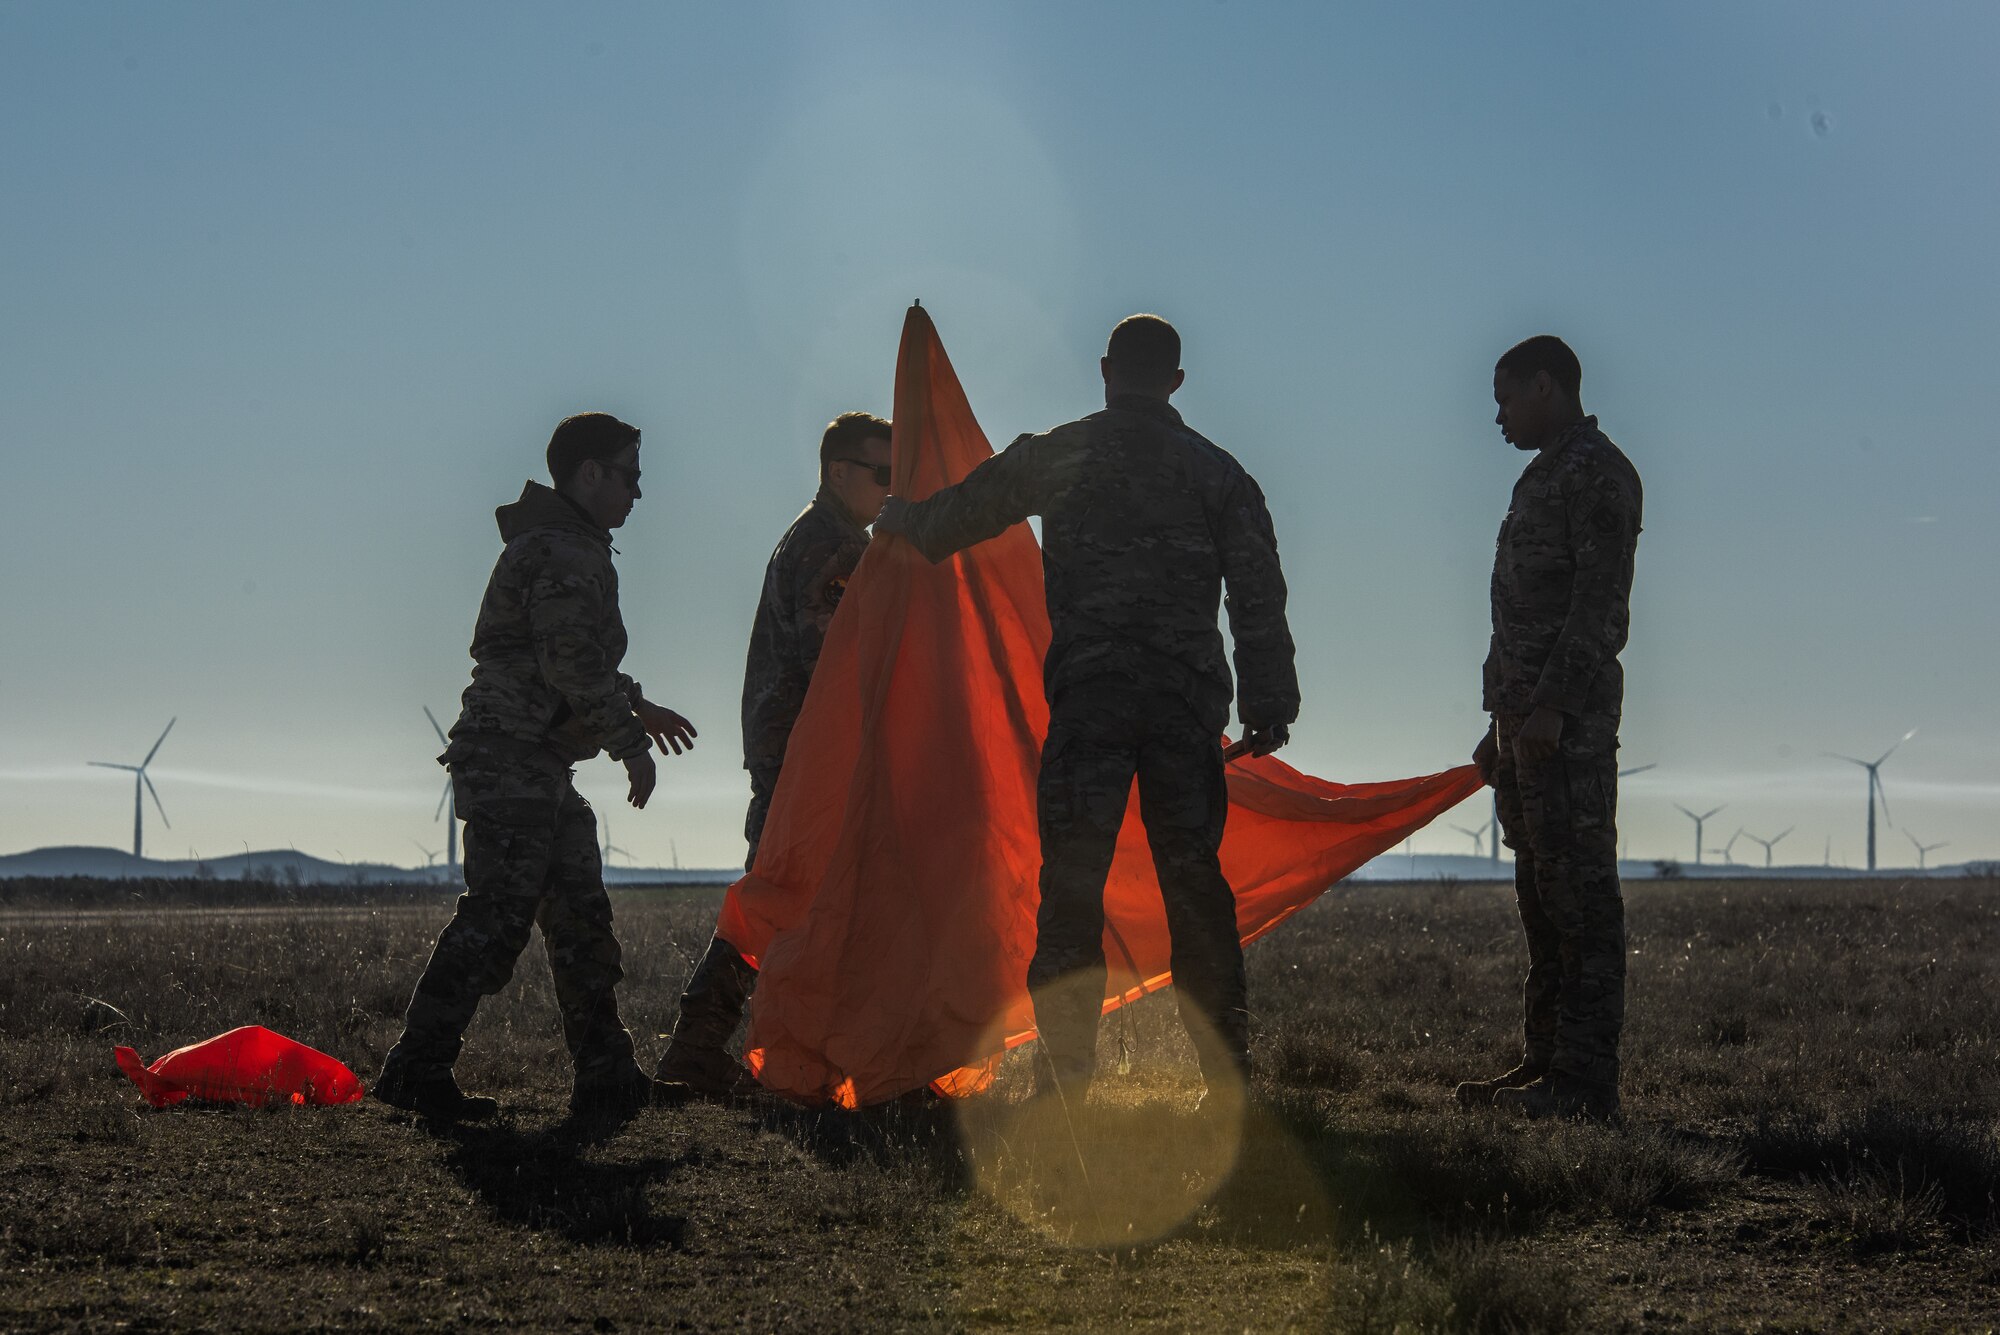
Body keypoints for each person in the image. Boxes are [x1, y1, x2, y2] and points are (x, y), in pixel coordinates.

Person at [874, 315, 1298, 1104]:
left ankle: (1064, 1074)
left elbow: (956, 518)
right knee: (1193, 885)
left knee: (1072, 882)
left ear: (1106, 370)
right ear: (1175, 381)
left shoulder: (1062, 451)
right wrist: (1271, 700)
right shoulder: (1219, 473)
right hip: (1182, 703)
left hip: (1091, 698)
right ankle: (1227, 1077)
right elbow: (1258, 594)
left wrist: (902, 519)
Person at [375, 412, 698, 1121]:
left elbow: (564, 650)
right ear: (590, 474)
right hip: (513, 757)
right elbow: (568, 660)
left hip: (537, 758)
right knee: (496, 916)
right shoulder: (564, 551)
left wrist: (636, 706)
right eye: (629, 476)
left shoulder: (564, 546)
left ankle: (607, 1074)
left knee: (581, 914)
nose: (637, 493)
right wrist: (630, 741)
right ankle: (414, 1069)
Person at [654, 411, 893, 1099]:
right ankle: (698, 1048)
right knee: (778, 898)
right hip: (811, 762)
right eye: (883, 473)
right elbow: (841, 661)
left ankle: (725, 1049)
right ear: (839, 472)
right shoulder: (834, 550)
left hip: (801, 756)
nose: (891, 488)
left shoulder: (826, 538)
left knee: (799, 901)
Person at [1456, 335, 1643, 1123]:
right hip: (1523, 728)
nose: (1496, 416)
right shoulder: (1541, 478)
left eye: (1505, 398)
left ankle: (1586, 1081)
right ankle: (1544, 1062)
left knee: (1580, 897)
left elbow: (1598, 605)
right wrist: (1499, 719)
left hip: (1564, 728)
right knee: (1540, 894)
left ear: (1545, 386)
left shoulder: (1596, 473)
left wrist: (1554, 708)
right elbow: (1521, 615)